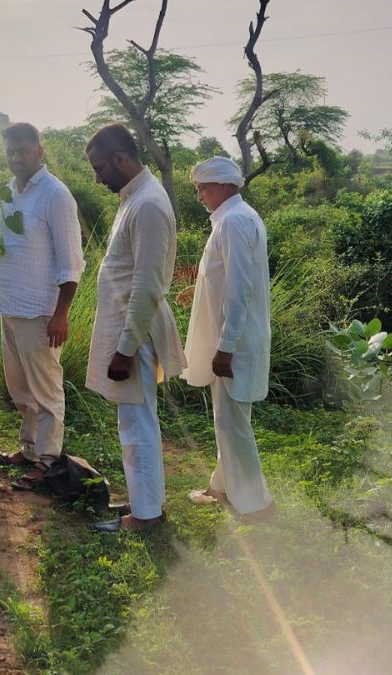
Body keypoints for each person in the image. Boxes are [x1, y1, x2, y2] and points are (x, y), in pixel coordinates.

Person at [0, 122, 85, 490]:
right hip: (10, 305)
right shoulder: (8, 193)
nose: (16, 157)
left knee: (45, 391)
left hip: (41, 312)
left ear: (39, 151)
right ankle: (29, 449)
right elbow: (3, 249)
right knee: (20, 388)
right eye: (10, 151)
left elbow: (71, 261)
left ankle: (48, 462)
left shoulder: (56, 196)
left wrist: (62, 314)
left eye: (23, 150)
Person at [84, 123, 185, 533]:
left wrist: (124, 351)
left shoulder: (147, 205)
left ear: (122, 159)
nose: (97, 178)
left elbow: (146, 286)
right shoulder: (135, 198)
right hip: (130, 330)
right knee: (137, 421)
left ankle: (145, 517)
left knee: (137, 424)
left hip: (136, 335)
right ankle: (148, 502)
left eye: (100, 168)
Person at [180, 157, 274, 518]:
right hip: (236, 338)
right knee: (231, 419)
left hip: (233, 343)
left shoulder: (233, 222)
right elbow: (225, 280)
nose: (200, 196)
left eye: (203, 188)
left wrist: (226, 348)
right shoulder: (237, 217)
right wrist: (200, 291)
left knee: (232, 422)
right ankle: (221, 488)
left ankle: (255, 503)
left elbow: (239, 290)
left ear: (224, 186)